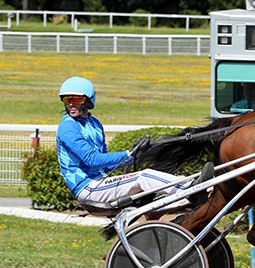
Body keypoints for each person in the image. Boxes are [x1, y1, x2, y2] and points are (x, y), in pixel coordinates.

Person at [55, 76, 213, 210]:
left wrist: (136, 154)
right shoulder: (68, 126)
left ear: (88, 101)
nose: (70, 104)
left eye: (76, 99)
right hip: (87, 188)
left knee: (150, 178)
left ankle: (188, 190)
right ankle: (190, 189)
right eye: (67, 99)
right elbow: (92, 160)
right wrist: (127, 153)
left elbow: (108, 167)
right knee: (144, 177)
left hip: (100, 182)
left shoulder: (95, 124)